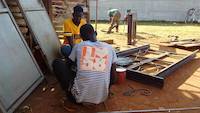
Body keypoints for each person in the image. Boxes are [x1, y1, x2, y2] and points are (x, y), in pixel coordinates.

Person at [65, 24, 117, 104]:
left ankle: (69, 90)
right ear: (95, 33)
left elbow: (68, 65)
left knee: (57, 63)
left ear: (81, 37)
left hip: (78, 98)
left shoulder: (78, 46)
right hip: (102, 97)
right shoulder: (109, 48)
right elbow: (113, 78)